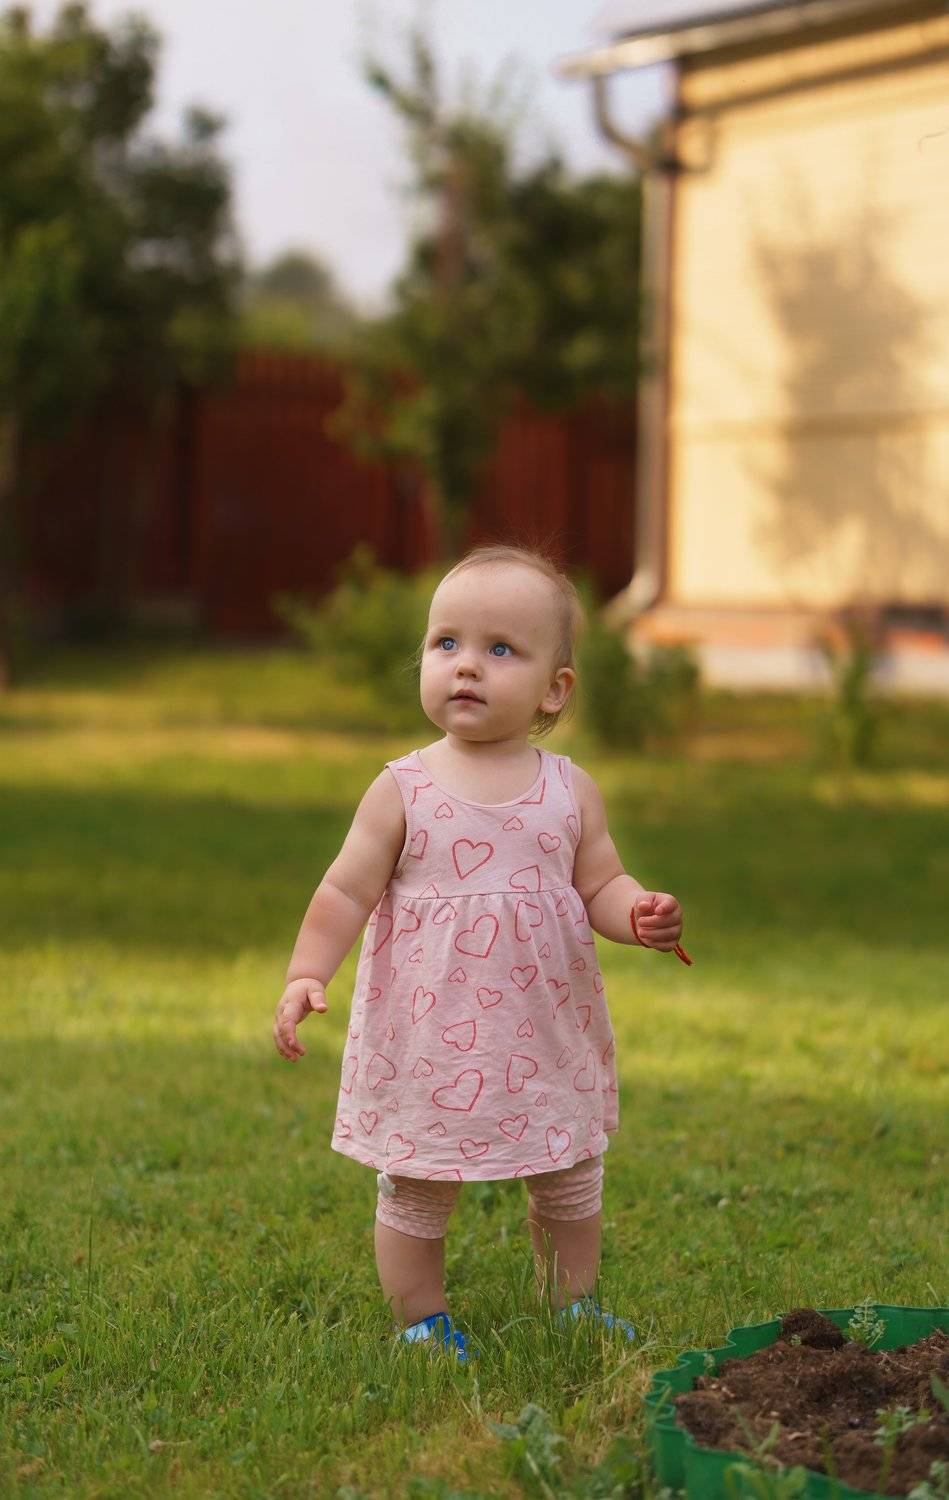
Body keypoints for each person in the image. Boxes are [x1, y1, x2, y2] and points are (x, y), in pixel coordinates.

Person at [272, 543, 686, 1363]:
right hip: (430, 1038)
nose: (465, 665)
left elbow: (600, 882)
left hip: (543, 1033)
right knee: (419, 1180)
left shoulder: (568, 789)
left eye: (499, 649)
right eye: (446, 643)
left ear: (553, 689)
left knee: (568, 1174)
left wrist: (635, 912)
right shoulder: (403, 789)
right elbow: (344, 892)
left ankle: (570, 1304)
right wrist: (306, 973)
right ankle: (421, 1319)